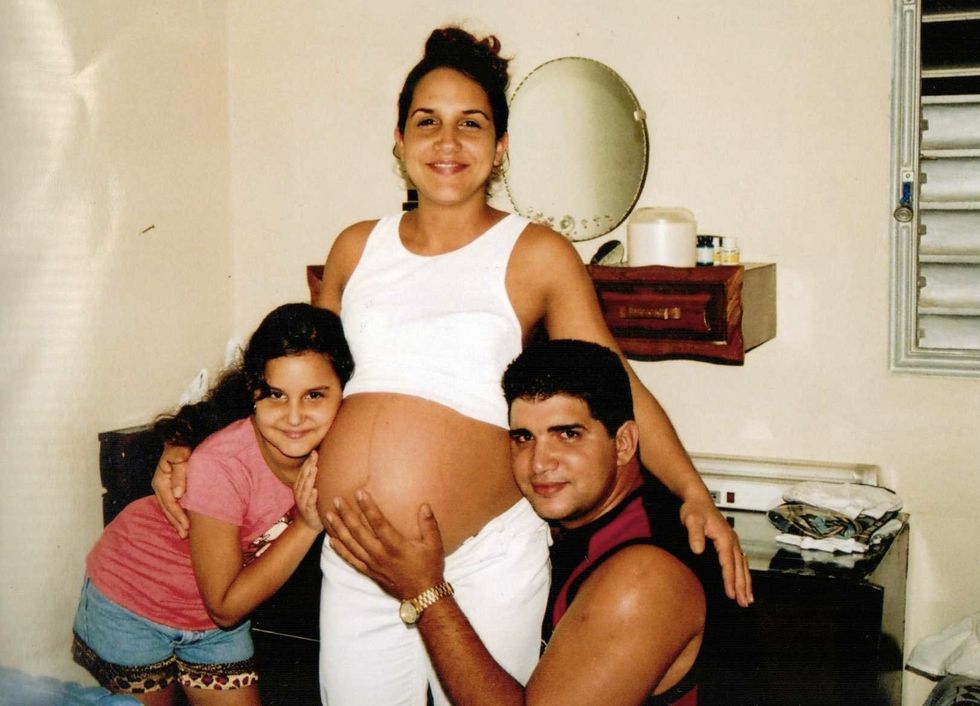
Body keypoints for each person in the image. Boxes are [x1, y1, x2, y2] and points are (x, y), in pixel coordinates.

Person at [152, 26, 751, 706]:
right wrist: (189, 441)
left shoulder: (536, 253)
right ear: (399, 143)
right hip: (356, 556)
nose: (447, 142)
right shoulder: (355, 249)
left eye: (471, 124)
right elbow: (295, 375)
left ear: (499, 149)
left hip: (484, 555)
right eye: (426, 123)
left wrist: (694, 493)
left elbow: (614, 382)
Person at [326, 339, 718, 706]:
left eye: (568, 434)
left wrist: (425, 591)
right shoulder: (589, 519)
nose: (539, 463)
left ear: (624, 443)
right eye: (523, 437)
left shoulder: (643, 578)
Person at [73, 304, 353, 706]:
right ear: (252, 393)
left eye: (314, 395)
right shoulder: (223, 464)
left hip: (213, 618)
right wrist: (307, 526)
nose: (295, 417)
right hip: (133, 599)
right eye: (275, 395)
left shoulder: (338, 446)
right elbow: (225, 606)